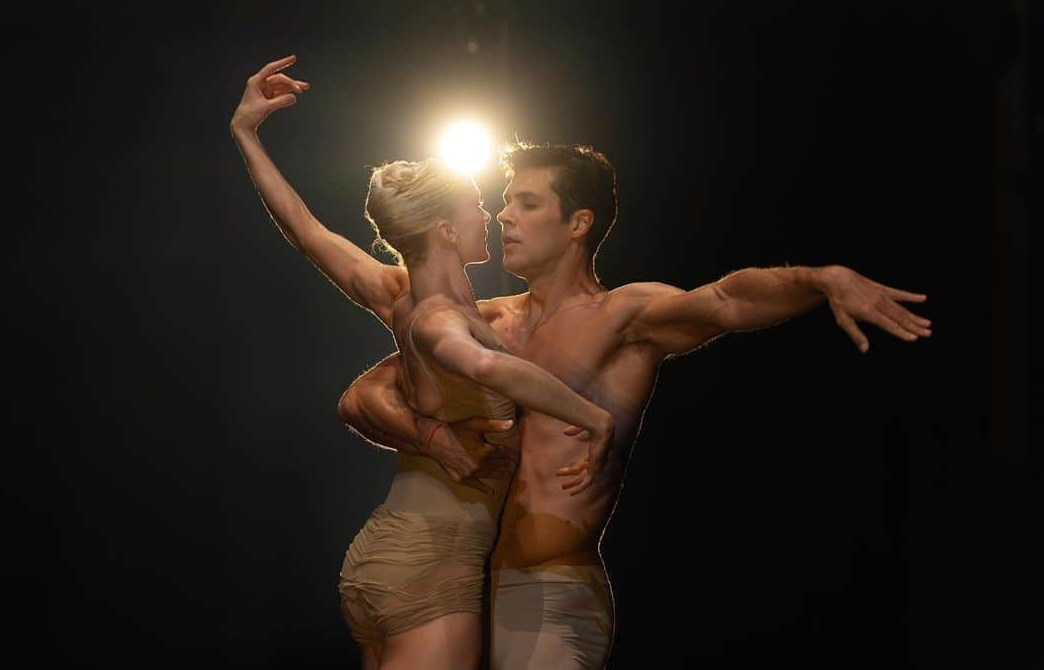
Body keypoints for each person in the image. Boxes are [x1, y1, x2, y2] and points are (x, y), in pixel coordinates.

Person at [337, 142, 934, 669]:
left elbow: (726, 299)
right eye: (504, 202)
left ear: (579, 224)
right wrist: (430, 437)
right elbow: (364, 394)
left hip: (546, 589)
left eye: (527, 204)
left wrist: (821, 278)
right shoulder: (486, 319)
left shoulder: (625, 316)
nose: (504, 217)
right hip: (458, 587)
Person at [230, 56, 615, 670]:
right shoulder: (439, 318)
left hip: (391, 551)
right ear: (444, 229)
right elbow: (488, 371)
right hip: (431, 565)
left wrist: (246, 134)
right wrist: (595, 420)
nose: (488, 215)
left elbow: (304, 229)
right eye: (475, 206)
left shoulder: (395, 294)